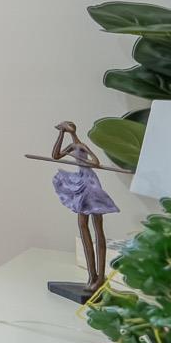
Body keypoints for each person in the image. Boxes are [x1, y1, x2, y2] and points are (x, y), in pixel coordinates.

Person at [49, 120, 118, 294]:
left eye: (65, 129)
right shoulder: (72, 146)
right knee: (82, 225)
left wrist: (82, 158)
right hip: (80, 181)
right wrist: (60, 135)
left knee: (97, 229)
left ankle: (100, 277)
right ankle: (92, 276)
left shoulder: (82, 146)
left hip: (90, 184)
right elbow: (55, 155)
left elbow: (95, 162)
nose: (66, 130)